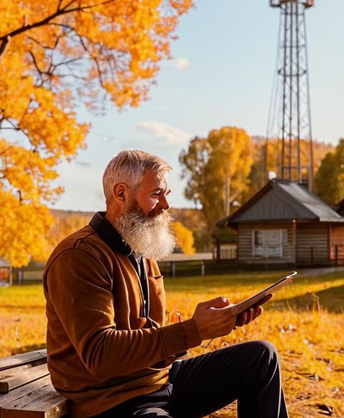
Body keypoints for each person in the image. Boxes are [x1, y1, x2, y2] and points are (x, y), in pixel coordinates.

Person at [44, 150, 288, 418]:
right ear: (121, 193)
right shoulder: (79, 256)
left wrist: (214, 322)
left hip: (159, 380)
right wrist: (193, 330)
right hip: (111, 399)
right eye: (156, 193)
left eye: (166, 194)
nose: (166, 205)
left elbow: (148, 332)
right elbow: (100, 356)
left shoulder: (140, 250)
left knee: (261, 357)